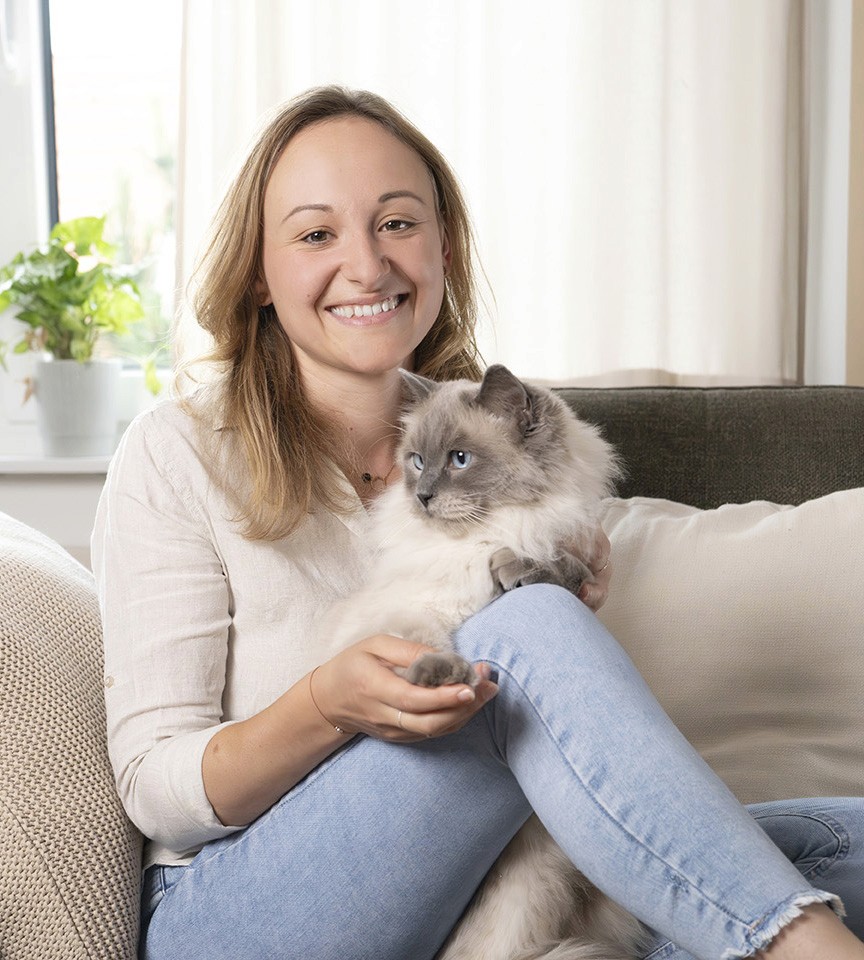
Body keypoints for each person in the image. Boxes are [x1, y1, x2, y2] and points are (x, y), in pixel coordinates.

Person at [92, 85, 864, 960]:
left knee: (831, 837)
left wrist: (571, 573)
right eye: (316, 234)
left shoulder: (493, 434)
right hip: (240, 906)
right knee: (525, 629)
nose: (367, 265)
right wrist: (326, 705)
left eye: (397, 223)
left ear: (444, 247)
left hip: (487, 878)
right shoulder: (178, 452)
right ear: (261, 274)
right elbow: (154, 790)